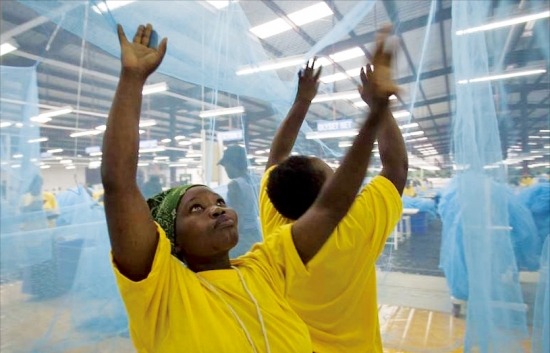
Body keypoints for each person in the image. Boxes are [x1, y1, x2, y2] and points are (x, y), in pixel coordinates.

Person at [101, 23, 393, 352]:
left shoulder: (264, 267)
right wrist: (132, 79)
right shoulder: (163, 293)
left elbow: (330, 207)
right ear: (172, 241)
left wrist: (375, 116)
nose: (216, 208)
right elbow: (119, 184)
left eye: (218, 201)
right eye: (195, 208)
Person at [260, 26, 408, 352]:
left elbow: (276, 157)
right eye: (332, 173)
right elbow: (396, 166)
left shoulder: (277, 227)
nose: (338, 171)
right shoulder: (354, 227)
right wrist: (377, 106)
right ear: (333, 196)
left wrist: (301, 100)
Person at [218, 145, 262, 257]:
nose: (225, 169)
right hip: (257, 234)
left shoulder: (235, 185)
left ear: (232, 163)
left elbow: (238, 218)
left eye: (225, 165)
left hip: (243, 238)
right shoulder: (256, 180)